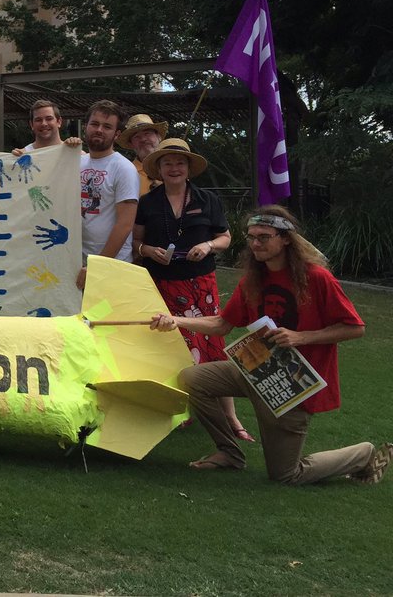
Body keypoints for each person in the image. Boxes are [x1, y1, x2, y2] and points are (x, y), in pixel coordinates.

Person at [151, 206, 391, 484]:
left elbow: (355, 328)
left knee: (286, 475)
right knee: (192, 378)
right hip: (255, 369)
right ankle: (229, 452)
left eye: (264, 237)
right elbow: (222, 324)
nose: (255, 244)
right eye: (251, 237)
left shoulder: (317, 277)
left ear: (286, 238)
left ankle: (363, 455)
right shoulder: (253, 279)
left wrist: (301, 337)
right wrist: (175, 320)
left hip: (294, 384)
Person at [133, 138, 250, 441]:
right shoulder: (147, 202)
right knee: (171, 346)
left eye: (180, 163)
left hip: (201, 285)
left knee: (212, 345)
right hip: (161, 284)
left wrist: (207, 244)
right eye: (167, 163)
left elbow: (225, 237)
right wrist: (148, 250)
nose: (174, 168)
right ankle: (179, 408)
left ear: (189, 168)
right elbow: (135, 243)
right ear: (158, 168)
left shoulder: (207, 199)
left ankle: (231, 417)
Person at [78, 100, 138, 290]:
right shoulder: (77, 162)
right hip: (79, 262)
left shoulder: (124, 168)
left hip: (111, 265)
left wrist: (98, 266)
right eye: (94, 124)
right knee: (81, 318)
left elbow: (125, 224)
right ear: (85, 126)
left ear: (117, 134)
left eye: (107, 126)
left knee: (105, 316)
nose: (99, 130)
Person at [117, 113, 168, 196]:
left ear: (158, 136)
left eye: (147, 133)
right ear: (131, 144)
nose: (143, 139)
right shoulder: (126, 173)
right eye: (137, 137)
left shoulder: (174, 168)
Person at [13, 99, 82, 154]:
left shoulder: (76, 155)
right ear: (31, 125)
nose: (44, 124)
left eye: (49, 119)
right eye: (38, 120)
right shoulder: (22, 156)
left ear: (59, 122)